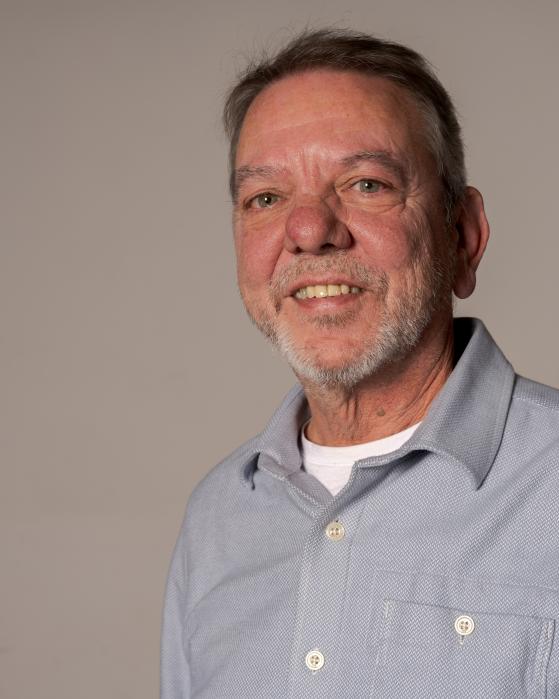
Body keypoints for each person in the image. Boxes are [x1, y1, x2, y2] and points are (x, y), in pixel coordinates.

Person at [161, 29, 559, 698]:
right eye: (265, 198)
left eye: (366, 184)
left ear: (462, 237)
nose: (308, 230)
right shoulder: (218, 518)